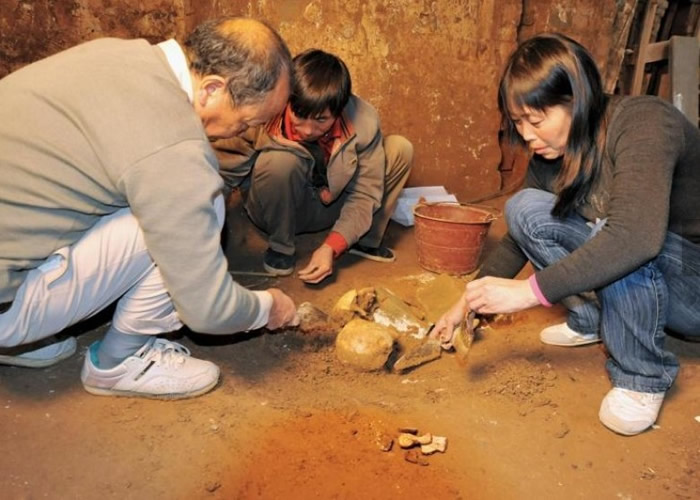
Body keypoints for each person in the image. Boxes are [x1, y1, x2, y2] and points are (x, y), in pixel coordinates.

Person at [0, 17, 300, 399]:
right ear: (211, 89)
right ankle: (119, 362)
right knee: (198, 211)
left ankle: (20, 339)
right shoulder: (175, 149)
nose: (239, 134)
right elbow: (206, 309)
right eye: (245, 123)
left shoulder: (116, 53)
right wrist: (267, 306)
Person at [431, 33, 700, 436]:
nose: (526, 135)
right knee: (524, 208)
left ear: (577, 98)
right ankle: (593, 318)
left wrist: (527, 292)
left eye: (535, 121)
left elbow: (635, 238)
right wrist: (467, 300)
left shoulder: (644, 123)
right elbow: (519, 235)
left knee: (613, 230)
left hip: (691, 288)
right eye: (519, 122)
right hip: (641, 268)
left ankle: (642, 375)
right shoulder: (552, 151)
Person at [215, 49, 414, 283]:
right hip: (278, 206)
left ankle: (363, 240)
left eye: (321, 120)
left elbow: (364, 194)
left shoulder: (363, 121)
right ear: (287, 99)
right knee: (281, 161)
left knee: (399, 148)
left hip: (330, 205)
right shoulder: (262, 111)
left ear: (339, 110)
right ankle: (281, 247)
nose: (308, 130)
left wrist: (331, 247)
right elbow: (222, 177)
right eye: (299, 114)